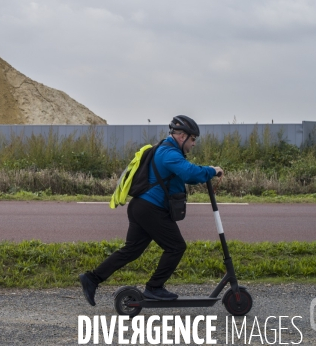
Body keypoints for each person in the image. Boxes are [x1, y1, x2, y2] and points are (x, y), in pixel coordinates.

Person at [79, 115, 224, 305]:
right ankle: (154, 287)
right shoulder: (168, 153)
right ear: (182, 137)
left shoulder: (165, 149)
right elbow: (190, 173)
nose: (194, 143)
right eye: (193, 139)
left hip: (142, 207)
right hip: (150, 209)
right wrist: (212, 170)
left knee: (131, 250)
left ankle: (92, 278)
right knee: (176, 247)